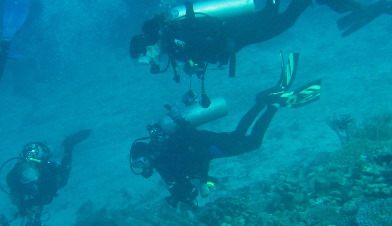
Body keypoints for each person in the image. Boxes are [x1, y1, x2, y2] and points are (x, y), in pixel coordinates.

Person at [129, 0, 360, 102]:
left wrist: (195, 63)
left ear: (147, 48)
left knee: (284, 21)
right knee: (270, 11)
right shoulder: (171, 39)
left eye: (143, 58)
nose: (147, 62)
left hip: (236, 34)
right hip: (234, 30)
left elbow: (201, 43)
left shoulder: (172, 39)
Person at [129, 52, 321, 209]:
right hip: (203, 141)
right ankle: (263, 100)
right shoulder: (160, 155)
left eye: (139, 163)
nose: (142, 167)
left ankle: (273, 104)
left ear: (144, 155)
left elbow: (189, 169)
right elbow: (187, 173)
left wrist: (200, 183)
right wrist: (198, 182)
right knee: (238, 135)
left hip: (207, 148)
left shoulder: (161, 159)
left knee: (253, 143)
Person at [1, 130, 92, 226]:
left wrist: (29, 205)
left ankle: (69, 145)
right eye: (28, 184)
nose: (30, 186)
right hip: (35, 165)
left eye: (32, 184)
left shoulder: (47, 175)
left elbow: (46, 198)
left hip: (46, 173)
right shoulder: (12, 178)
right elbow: (14, 193)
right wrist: (22, 206)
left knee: (63, 180)